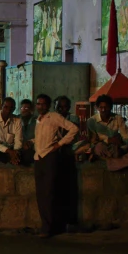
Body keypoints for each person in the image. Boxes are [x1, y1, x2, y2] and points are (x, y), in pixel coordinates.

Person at [33, 93, 79, 238]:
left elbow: (73, 129)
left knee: (49, 192)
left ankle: (49, 227)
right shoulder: (39, 120)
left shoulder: (54, 117)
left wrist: (59, 144)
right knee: (41, 194)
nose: (41, 107)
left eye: (43, 104)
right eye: (38, 104)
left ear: (49, 105)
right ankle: (46, 225)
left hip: (50, 157)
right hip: (39, 158)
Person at [80, 94, 128, 171]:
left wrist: (122, 146)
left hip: (117, 148)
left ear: (111, 107)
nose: (103, 110)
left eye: (106, 107)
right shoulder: (92, 121)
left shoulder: (118, 118)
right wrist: (108, 140)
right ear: (97, 108)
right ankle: (116, 162)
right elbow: (92, 141)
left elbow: (126, 137)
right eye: (101, 107)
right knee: (99, 147)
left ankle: (108, 163)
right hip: (103, 148)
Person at [54, 95, 81, 232]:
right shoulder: (50, 119)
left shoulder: (73, 119)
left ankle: (70, 221)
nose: (61, 110)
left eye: (64, 107)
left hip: (68, 154)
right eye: (59, 107)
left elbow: (70, 136)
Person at [19, 99, 37, 164]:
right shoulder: (16, 119)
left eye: (26, 108)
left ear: (31, 109)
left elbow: (41, 135)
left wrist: (31, 142)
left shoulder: (36, 120)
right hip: (19, 147)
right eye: (22, 108)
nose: (24, 110)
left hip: (33, 147)